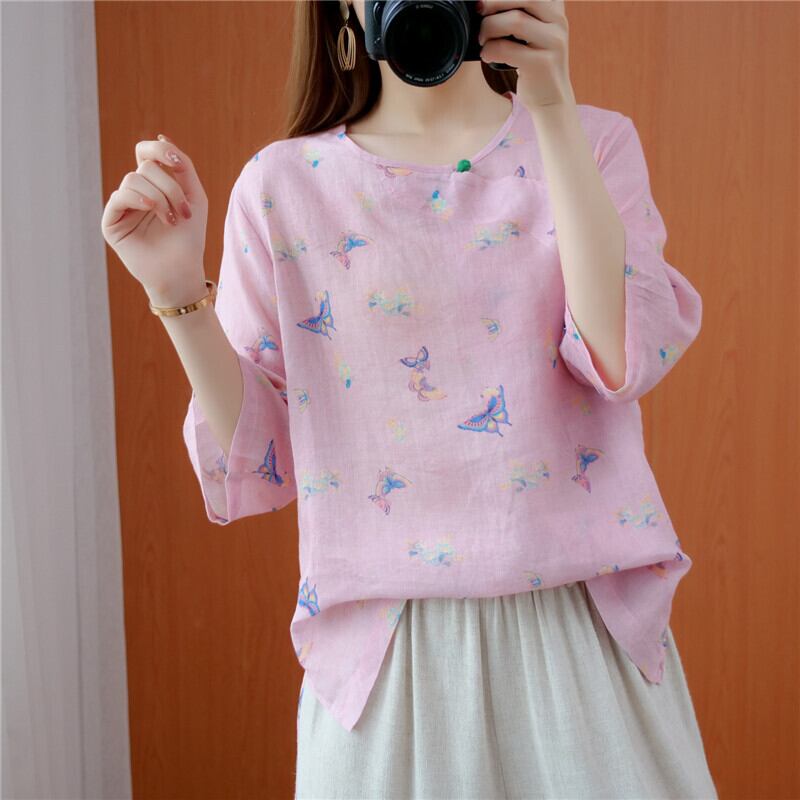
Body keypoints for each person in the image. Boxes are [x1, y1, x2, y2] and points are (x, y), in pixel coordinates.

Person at [101, 1, 719, 797]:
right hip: (382, 663)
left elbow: (620, 356)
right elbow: (263, 459)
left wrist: (551, 103)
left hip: (580, 633)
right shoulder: (283, 185)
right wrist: (176, 291)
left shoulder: (592, 141)